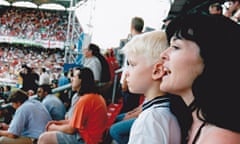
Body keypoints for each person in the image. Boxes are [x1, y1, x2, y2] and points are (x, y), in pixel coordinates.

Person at [160, 13, 240, 143]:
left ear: (211, 60)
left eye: (175, 47)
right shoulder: (191, 123)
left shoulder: (220, 139)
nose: (163, 55)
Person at [122, 31, 191, 144]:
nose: (127, 73)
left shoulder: (150, 121)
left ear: (158, 71)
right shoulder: (166, 111)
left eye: (132, 64)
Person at [38, 67, 108, 144]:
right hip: (93, 138)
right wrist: (57, 124)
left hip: (87, 140)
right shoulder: (95, 96)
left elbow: (71, 129)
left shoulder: (85, 100)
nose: (71, 79)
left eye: (74, 76)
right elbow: (74, 123)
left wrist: (54, 127)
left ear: (81, 80)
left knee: (44, 138)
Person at [120, 16, 145, 113]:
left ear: (131, 27)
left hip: (130, 82)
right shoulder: (143, 42)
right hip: (137, 81)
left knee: (127, 108)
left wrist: (125, 82)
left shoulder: (133, 43)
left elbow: (130, 66)